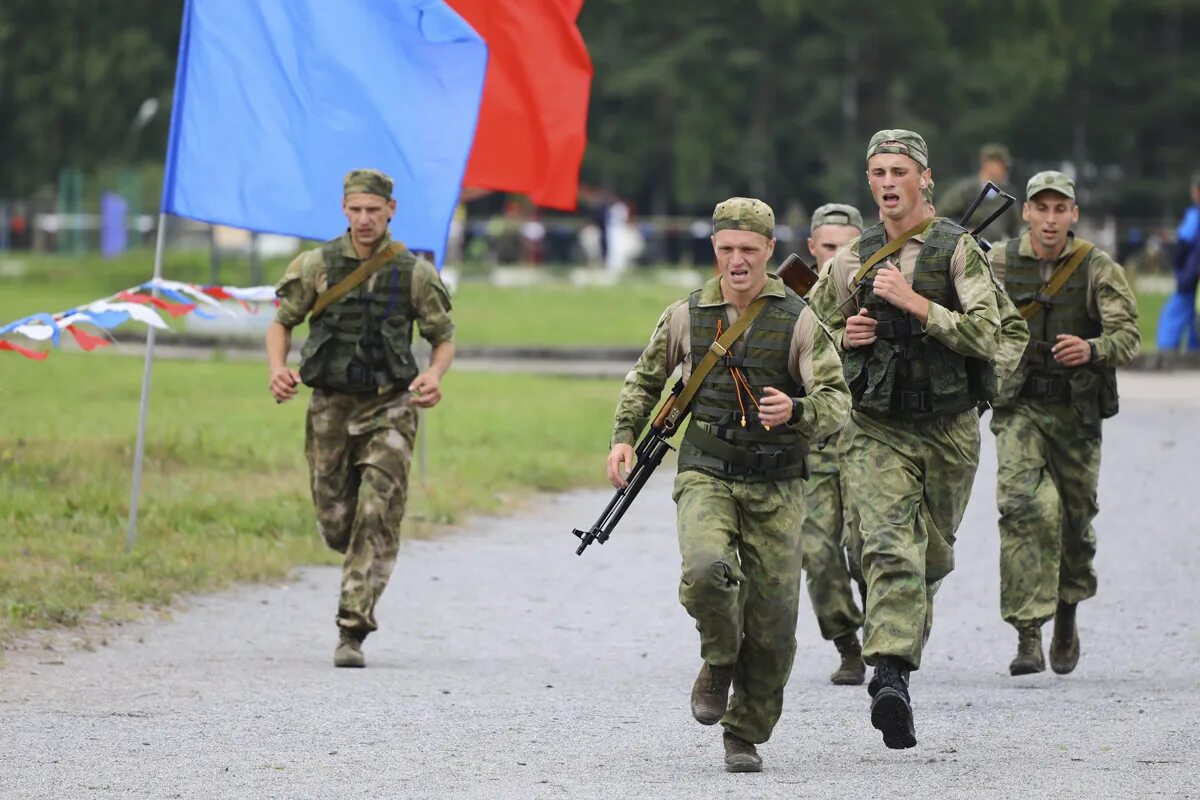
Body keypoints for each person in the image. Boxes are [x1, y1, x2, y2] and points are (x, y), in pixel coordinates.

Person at [608, 197, 850, 772]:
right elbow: (645, 380)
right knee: (704, 569)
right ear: (714, 250)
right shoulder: (686, 315)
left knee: (772, 626)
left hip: (778, 483)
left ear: (770, 250)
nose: (737, 261)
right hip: (707, 470)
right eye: (726, 250)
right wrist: (623, 436)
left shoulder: (799, 319)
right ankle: (718, 658)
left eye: (748, 250)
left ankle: (744, 734)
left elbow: (837, 402)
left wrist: (794, 412)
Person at [807, 130, 1005, 750]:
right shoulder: (851, 259)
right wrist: (849, 337)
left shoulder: (957, 252)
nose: (887, 182)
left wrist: (916, 304)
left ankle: (894, 646)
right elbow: (808, 339)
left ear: (925, 179)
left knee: (931, 558)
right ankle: (890, 674)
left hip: (948, 428)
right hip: (876, 427)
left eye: (898, 170)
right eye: (876, 172)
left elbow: (988, 336)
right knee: (890, 547)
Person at [266, 169, 455, 668]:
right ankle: (357, 561)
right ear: (344, 210)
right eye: (356, 210)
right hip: (329, 405)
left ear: (390, 211)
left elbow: (443, 338)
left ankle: (352, 629)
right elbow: (281, 324)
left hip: (389, 406)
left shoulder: (414, 273)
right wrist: (277, 369)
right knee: (337, 522)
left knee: (376, 513)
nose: (365, 219)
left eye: (374, 210)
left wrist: (434, 375)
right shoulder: (316, 265)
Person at [988, 171, 1140, 676]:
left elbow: (1128, 336)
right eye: (1041, 208)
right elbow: (970, 320)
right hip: (1019, 409)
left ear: (1073, 215)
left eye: (1060, 209)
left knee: (1074, 524)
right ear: (1026, 212)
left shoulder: (1098, 268)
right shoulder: (1000, 263)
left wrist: (1092, 347)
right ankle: (1027, 634)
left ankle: (1067, 613)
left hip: (1076, 416)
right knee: (1024, 509)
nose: (1050, 219)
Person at [801, 203, 867, 686]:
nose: (835, 258)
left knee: (869, 548)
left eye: (847, 248)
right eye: (828, 247)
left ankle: (892, 634)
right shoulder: (788, 301)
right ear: (811, 249)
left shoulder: (884, 293)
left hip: (872, 437)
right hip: (817, 442)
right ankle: (847, 642)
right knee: (818, 551)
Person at [938, 143, 1023, 241]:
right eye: (1002, 166)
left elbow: (1016, 228)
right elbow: (942, 216)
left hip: (996, 251)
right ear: (987, 163)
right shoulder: (966, 191)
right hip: (968, 250)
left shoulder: (1008, 194)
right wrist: (962, 233)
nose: (1005, 171)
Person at [1155, 172, 1200, 352]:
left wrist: (1178, 265)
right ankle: (1193, 352)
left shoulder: (1195, 214)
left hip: (1191, 273)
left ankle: (1166, 354)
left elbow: (1184, 242)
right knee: (1193, 317)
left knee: (1173, 314)